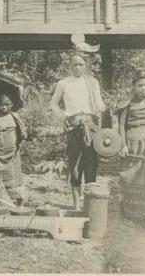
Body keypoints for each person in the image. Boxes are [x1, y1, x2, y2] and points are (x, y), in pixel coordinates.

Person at [50, 53, 106, 210]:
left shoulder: (92, 82)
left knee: (91, 164)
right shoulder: (63, 83)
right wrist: (64, 116)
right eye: (74, 64)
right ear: (69, 65)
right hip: (73, 126)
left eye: (81, 64)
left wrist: (100, 108)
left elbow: (99, 103)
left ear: (86, 65)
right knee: (74, 166)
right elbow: (53, 104)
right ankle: (76, 206)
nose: (77, 67)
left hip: (90, 126)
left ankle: (89, 204)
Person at [116, 69, 145, 225]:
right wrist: (123, 145)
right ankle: (128, 214)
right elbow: (121, 126)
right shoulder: (127, 105)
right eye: (140, 85)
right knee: (129, 176)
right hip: (131, 145)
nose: (143, 88)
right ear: (134, 86)